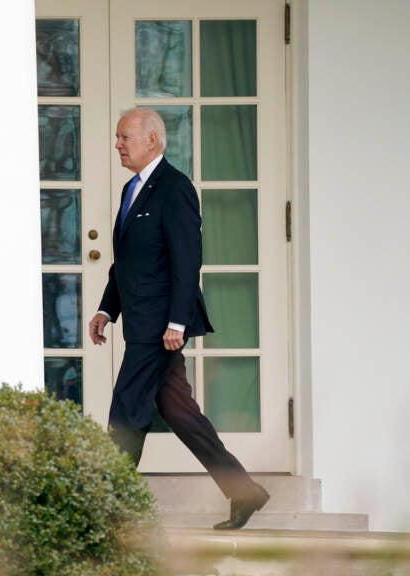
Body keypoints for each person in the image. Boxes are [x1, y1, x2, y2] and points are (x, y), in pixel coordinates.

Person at [88, 108, 269, 530]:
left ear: (151, 140)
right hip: (141, 320)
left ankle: (104, 507)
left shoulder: (176, 188)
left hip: (159, 327)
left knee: (128, 410)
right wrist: (105, 309)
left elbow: (188, 262)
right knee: (179, 411)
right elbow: (128, 263)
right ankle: (244, 491)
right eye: (117, 137)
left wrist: (176, 321)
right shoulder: (130, 191)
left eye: (124, 137)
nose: (117, 144)